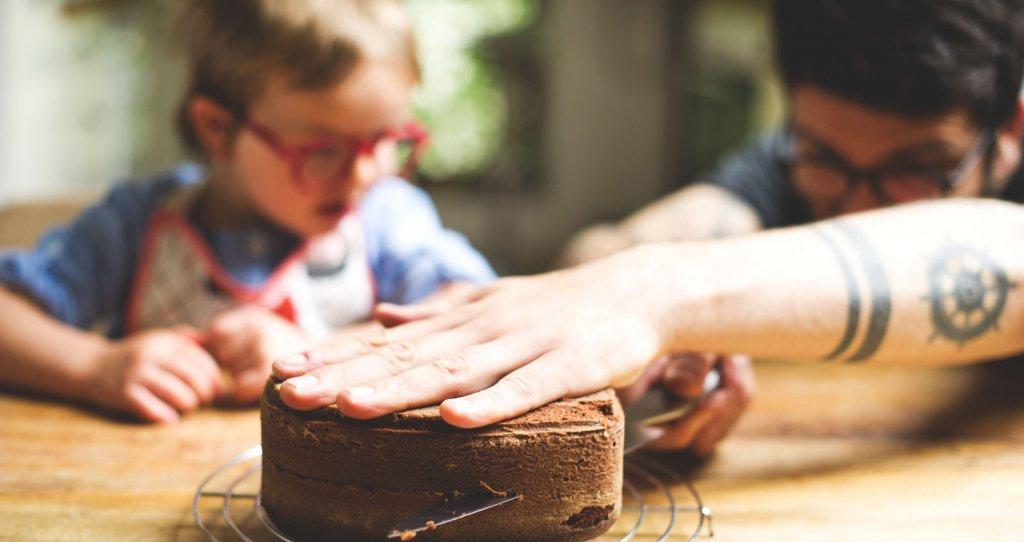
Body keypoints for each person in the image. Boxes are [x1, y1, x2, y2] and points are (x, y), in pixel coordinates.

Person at [271, 0, 1024, 445]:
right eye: (825, 157)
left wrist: (665, 296)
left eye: (915, 170)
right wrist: (624, 302)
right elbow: (612, 247)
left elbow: (1002, 251)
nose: (860, 201)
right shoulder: (799, 160)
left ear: (1011, 128)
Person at [0, 0, 494, 424]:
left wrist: (319, 355)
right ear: (217, 128)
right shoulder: (133, 223)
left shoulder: (387, 218)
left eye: (387, 140)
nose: (363, 174)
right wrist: (95, 368)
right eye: (323, 150)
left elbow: (479, 316)